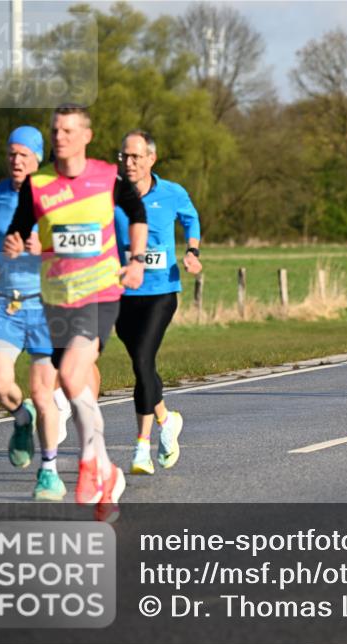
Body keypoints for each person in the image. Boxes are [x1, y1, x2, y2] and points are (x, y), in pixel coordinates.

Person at [4, 104, 148, 521]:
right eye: (55, 130)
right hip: (56, 299)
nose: (60, 137)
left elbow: (136, 213)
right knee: (76, 387)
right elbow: (18, 229)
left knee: (69, 375)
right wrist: (17, 244)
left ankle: (89, 465)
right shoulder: (39, 184)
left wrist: (136, 259)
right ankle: (107, 471)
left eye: (68, 130)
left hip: (100, 294)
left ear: (86, 135)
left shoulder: (107, 176)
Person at [0, 126, 73, 501]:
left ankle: (48, 471)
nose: (16, 161)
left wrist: (43, 248)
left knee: (42, 391)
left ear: (38, 160)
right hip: (6, 302)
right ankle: (22, 418)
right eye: (11, 154)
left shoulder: (56, 198)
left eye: (24, 155)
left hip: (46, 304)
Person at [113, 130, 202, 475]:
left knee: (144, 358)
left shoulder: (172, 192)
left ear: (152, 158)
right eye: (124, 156)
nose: (129, 162)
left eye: (135, 156)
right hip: (122, 293)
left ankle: (141, 448)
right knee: (141, 365)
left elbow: (191, 218)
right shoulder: (110, 193)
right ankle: (167, 419)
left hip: (161, 291)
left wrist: (191, 251)